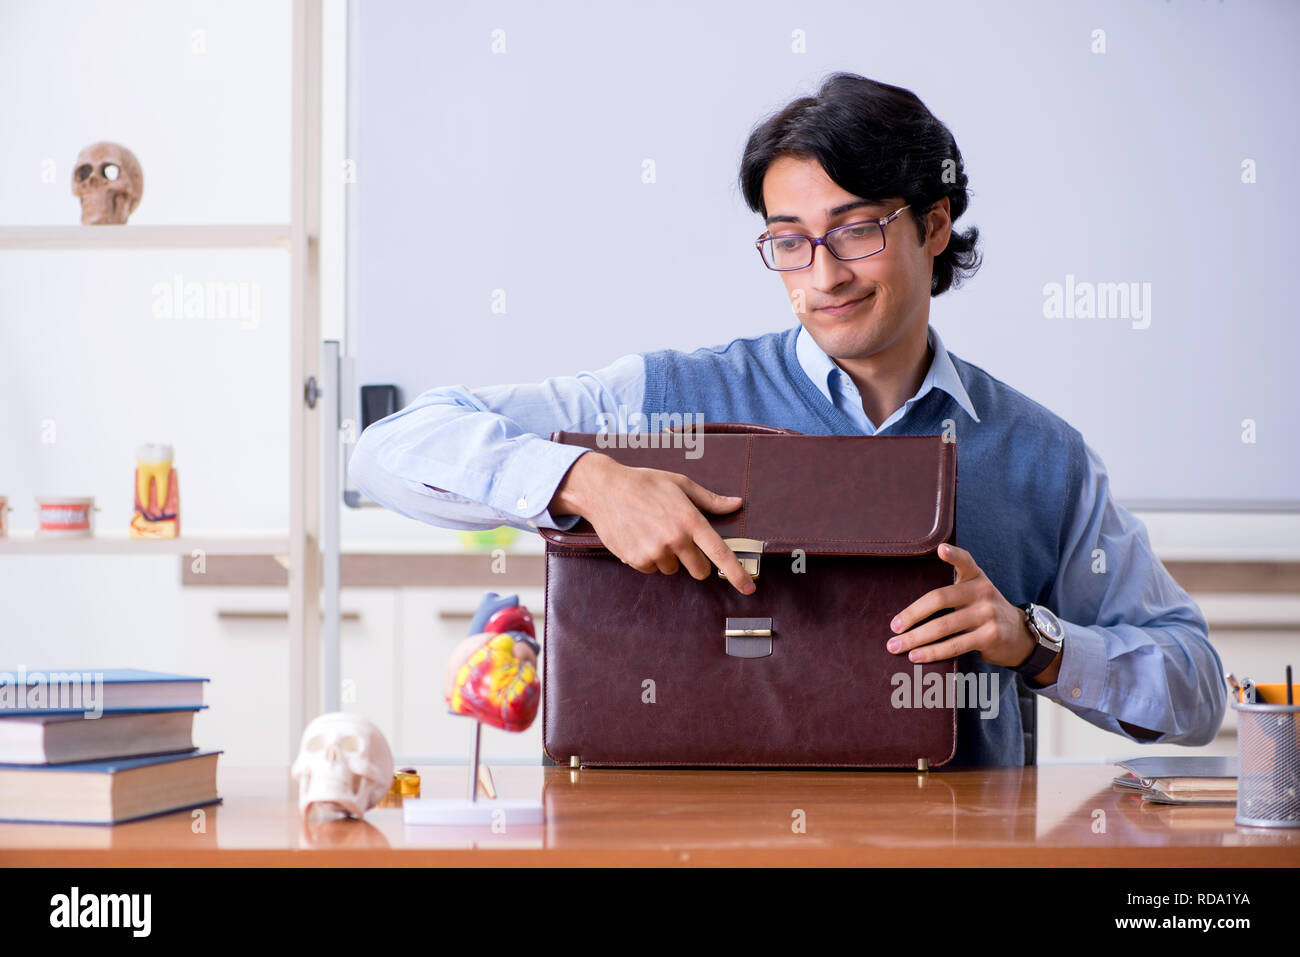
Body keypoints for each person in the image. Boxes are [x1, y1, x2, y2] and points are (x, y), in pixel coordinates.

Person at [348, 72, 1226, 765]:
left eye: (855, 230)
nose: (823, 275)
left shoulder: (1044, 458)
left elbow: (1196, 686)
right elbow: (390, 446)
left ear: (934, 222)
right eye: (789, 239)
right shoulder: (662, 402)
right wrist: (585, 479)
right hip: (683, 839)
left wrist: (1036, 642)